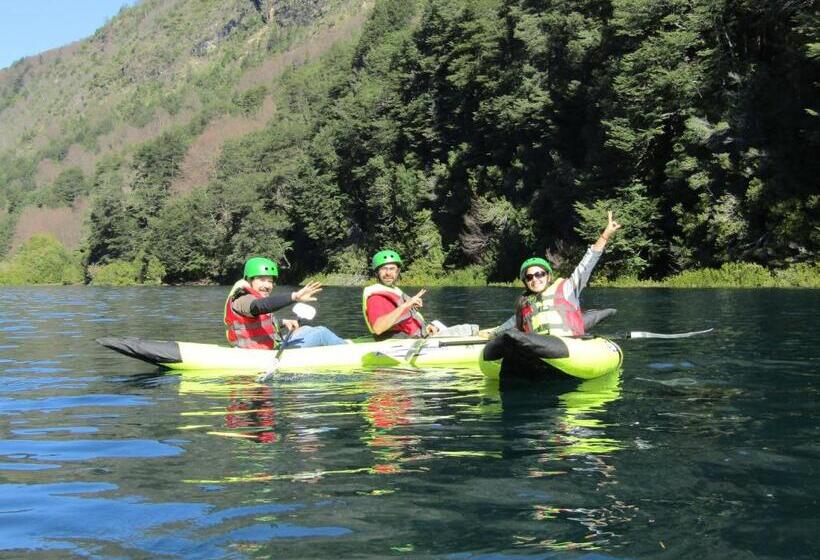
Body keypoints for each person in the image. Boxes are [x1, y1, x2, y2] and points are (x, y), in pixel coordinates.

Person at [482, 211, 622, 338]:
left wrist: (605, 236)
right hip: (538, 349)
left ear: (548, 276)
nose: (535, 279)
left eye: (539, 274)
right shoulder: (524, 304)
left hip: (570, 346)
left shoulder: (567, 288)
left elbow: (587, 264)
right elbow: (512, 325)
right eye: (529, 277)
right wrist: (493, 334)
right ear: (525, 281)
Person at [224, 257, 347, 349]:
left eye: (270, 281)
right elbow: (259, 306)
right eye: (262, 280)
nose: (267, 286)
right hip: (260, 356)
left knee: (305, 328)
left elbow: (256, 322)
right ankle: (350, 350)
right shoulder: (242, 298)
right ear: (249, 280)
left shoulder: (251, 297)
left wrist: (282, 322)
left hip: (269, 348)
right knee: (321, 333)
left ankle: (343, 344)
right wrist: (294, 296)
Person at [362, 250, 477, 340]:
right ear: (377, 272)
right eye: (383, 269)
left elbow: (404, 321)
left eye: (392, 269)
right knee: (469, 330)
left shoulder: (393, 291)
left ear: (397, 272)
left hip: (415, 337)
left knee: (465, 329)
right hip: (399, 343)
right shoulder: (376, 297)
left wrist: (426, 328)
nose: (388, 273)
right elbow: (378, 328)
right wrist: (405, 305)